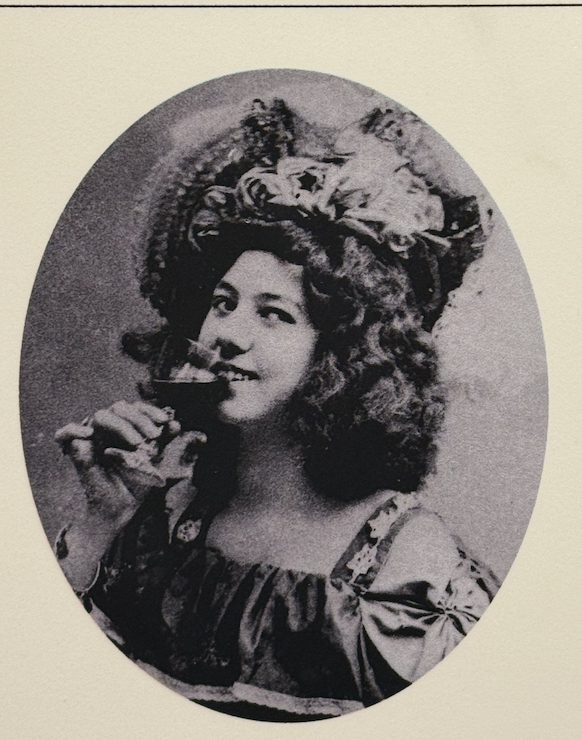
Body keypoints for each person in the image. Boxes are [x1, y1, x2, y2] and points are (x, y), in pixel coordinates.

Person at [54, 98, 499, 721]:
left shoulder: (409, 569)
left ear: (344, 354)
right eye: (223, 303)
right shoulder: (159, 520)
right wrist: (103, 520)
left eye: (274, 314)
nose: (227, 335)